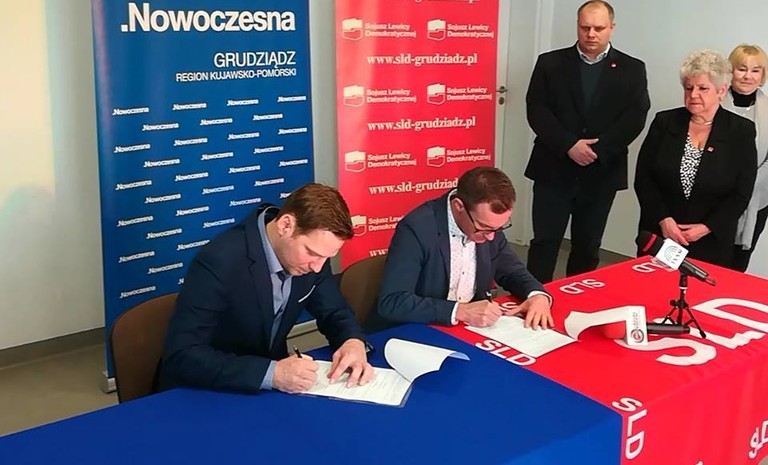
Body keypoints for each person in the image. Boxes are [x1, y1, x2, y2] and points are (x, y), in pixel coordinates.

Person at [159, 183, 374, 394]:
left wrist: (352, 341)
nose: (318, 267)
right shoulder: (220, 260)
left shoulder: (314, 255)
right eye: (312, 253)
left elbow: (334, 311)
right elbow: (183, 355)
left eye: (326, 257)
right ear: (285, 226)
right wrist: (272, 373)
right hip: (206, 390)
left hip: (269, 388)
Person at [524, 0, 650, 283]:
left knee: (588, 245)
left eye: (599, 28)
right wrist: (569, 145)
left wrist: (597, 149)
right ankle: (533, 296)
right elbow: (537, 109)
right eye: (585, 27)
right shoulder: (550, 63)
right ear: (577, 27)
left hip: (601, 172)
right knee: (544, 241)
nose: (591, 34)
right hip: (553, 168)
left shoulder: (632, 68)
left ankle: (579, 299)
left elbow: (635, 117)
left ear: (612, 28)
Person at [378, 167, 553, 330]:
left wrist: (537, 295)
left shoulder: (490, 227)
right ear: (459, 206)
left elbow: (513, 271)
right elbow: (393, 301)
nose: (491, 237)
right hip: (419, 328)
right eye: (483, 228)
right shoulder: (417, 228)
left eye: (499, 228)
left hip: (469, 329)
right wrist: (460, 311)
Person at [634, 50, 757, 268]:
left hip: (711, 239)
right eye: (688, 88)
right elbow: (643, 178)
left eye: (703, 88)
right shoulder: (664, 122)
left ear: (721, 91)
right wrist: (664, 220)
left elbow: (741, 192)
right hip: (662, 232)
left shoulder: (741, 131)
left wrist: (706, 227)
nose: (693, 95)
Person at [721, 44, 768, 271]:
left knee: (737, 267)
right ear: (730, 70)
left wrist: (746, 185)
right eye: (742, 69)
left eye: (755, 70)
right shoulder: (710, 103)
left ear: (763, 75)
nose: (748, 76)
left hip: (755, 199)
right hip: (712, 197)